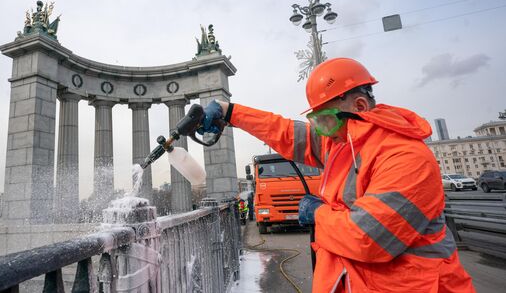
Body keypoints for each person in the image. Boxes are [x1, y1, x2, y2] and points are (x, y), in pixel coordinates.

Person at [200, 58, 475, 292]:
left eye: (325, 119)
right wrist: (231, 111)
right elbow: (283, 131)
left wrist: (319, 215)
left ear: (359, 106)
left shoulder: (406, 158)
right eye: (316, 120)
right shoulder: (342, 140)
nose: (321, 130)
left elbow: (368, 239)